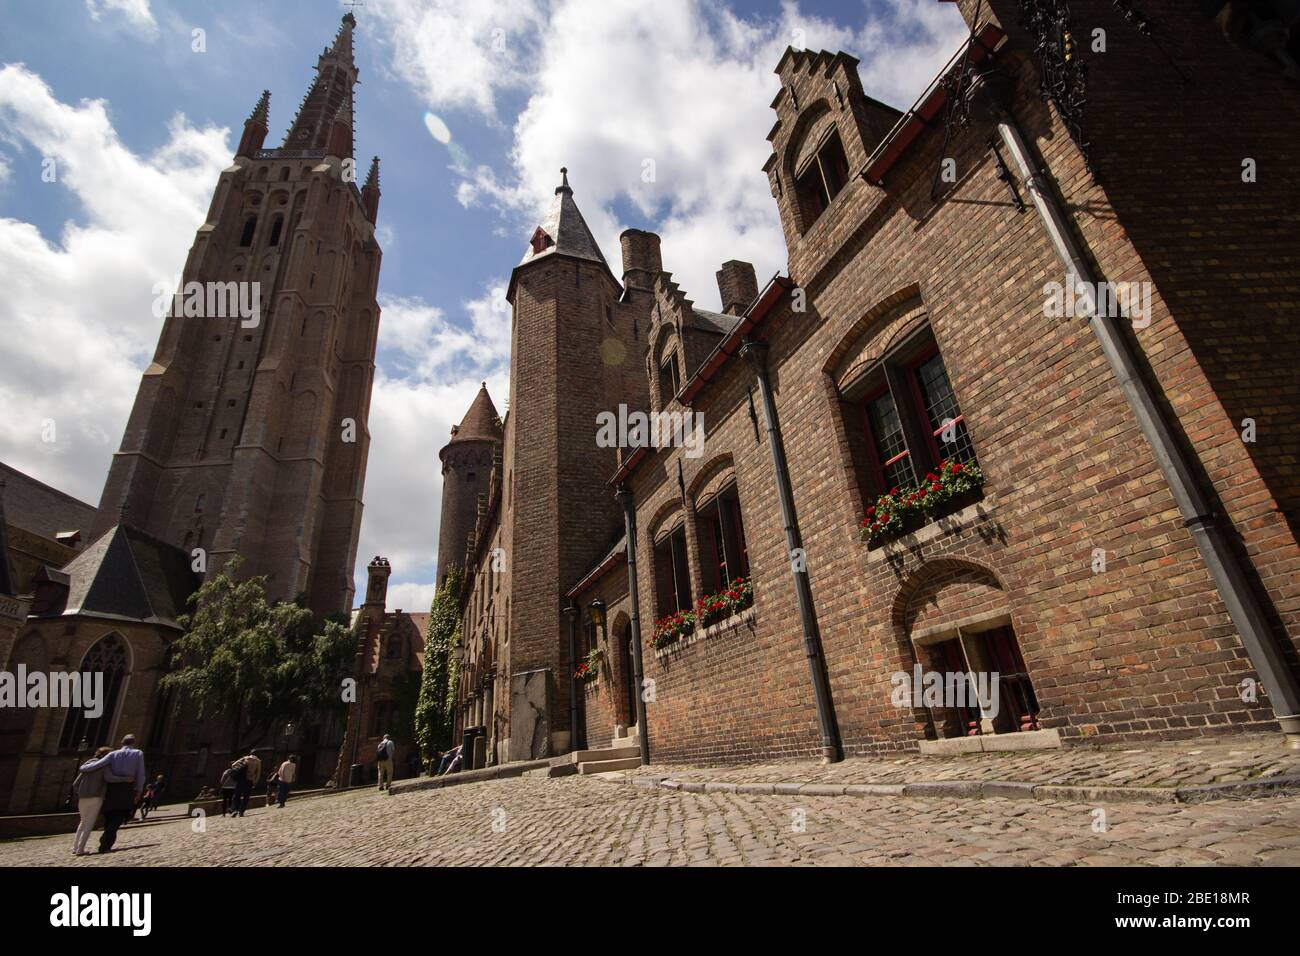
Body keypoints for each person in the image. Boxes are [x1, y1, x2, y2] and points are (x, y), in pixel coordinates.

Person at [77, 733, 146, 853]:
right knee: (120, 814)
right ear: (133, 743)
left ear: (122, 742)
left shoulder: (113, 754)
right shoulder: (138, 753)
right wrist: (139, 790)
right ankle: (105, 843)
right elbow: (140, 773)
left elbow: (98, 765)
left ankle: (104, 839)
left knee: (110, 814)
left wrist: (83, 768)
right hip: (127, 788)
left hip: (111, 789)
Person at [71, 746, 125, 856]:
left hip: (83, 798)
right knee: (89, 824)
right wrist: (125, 778)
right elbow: (110, 778)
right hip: (96, 797)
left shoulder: (87, 765)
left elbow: (75, 783)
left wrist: (81, 793)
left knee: (82, 822)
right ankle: (80, 849)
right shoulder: (104, 765)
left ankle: (75, 847)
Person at [231, 748, 261, 817]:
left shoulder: (245, 758)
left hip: (241, 779)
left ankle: (235, 809)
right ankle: (241, 812)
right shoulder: (258, 761)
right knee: (246, 797)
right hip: (249, 780)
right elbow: (258, 773)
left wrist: (240, 771)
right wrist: (255, 781)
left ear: (250, 753)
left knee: (237, 795)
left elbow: (233, 765)